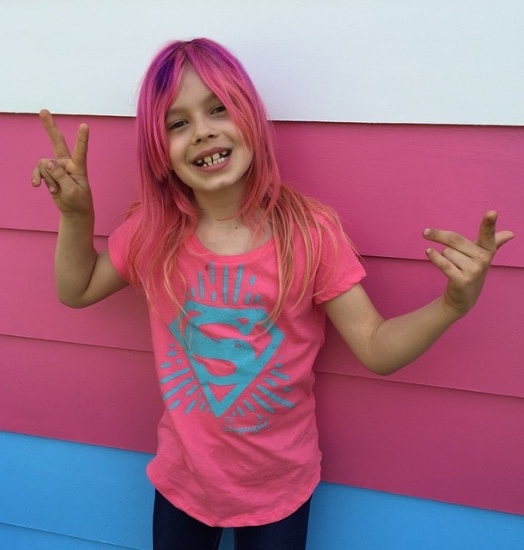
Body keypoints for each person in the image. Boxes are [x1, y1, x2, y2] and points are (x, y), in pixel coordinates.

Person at [31, 38, 513, 550]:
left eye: (219, 108)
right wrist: (77, 216)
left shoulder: (310, 233)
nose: (204, 131)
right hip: (182, 482)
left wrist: (451, 305)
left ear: (251, 119)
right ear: (159, 151)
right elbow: (77, 289)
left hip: (280, 488)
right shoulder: (153, 232)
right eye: (178, 122)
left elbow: (375, 345)